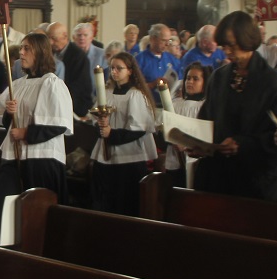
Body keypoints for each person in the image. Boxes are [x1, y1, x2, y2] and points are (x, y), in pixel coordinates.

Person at [188, 11, 277, 201]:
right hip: (218, 176)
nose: (227, 52)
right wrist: (198, 143)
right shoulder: (219, 77)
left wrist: (242, 145)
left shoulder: (271, 82)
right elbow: (207, 118)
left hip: (254, 180)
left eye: (232, 46)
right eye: (224, 46)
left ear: (247, 40)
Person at [0, 32, 73, 244]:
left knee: (37, 214)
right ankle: (0, 251)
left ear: (40, 52)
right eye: (21, 48)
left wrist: (26, 133)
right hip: (14, 158)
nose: (21, 53)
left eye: (27, 49)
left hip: (42, 159)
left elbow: (59, 123)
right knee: (4, 208)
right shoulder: (18, 84)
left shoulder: (52, 83)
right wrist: (9, 113)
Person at [89, 52, 157, 216]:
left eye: (119, 68)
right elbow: (95, 118)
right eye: (112, 68)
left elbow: (139, 128)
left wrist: (112, 134)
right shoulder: (107, 92)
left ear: (130, 71)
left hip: (129, 157)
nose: (114, 71)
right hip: (105, 154)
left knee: (125, 201)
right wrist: (100, 125)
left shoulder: (135, 94)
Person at [164, 61, 207, 188]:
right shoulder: (175, 104)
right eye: (188, 78)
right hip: (175, 159)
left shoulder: (206, 106)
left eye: (195, 79)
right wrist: (172, 140)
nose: (190, 82)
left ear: (204, 82)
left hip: (197, 160)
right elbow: (164, 131)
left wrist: (187, 144)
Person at [47, 21, 93, 117]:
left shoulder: (78, 56)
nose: (50, 42)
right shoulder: (49, 52)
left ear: (65, 36)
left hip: (74, 107)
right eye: (48, 38)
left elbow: (79, 86)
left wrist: (59, 101)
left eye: (54, 38)